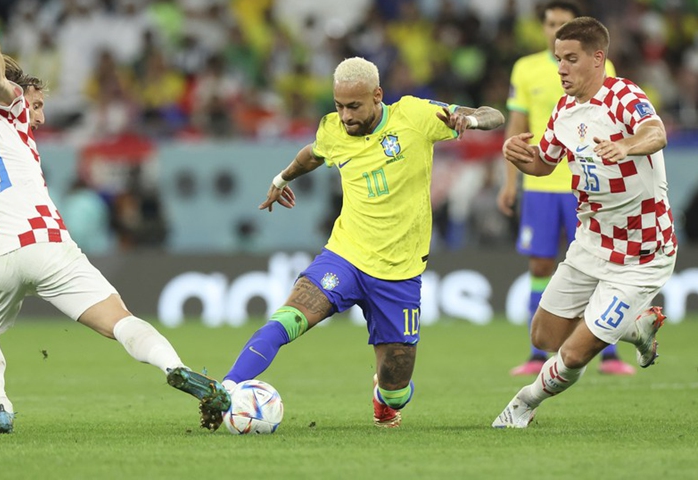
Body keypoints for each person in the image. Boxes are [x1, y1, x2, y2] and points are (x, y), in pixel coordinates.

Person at [168, 57, 505, 429]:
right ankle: (226, 389)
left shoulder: (416, 115)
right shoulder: (333, 130)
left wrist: (468, 121)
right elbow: (312, 154)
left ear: (377, 96)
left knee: (397, 387)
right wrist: (281, 179)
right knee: (287, 319)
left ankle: (384, 398)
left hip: (399, 271)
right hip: (344, 257)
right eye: (339, 106)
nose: (345, 116)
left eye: (354, 106)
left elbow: (494, 116)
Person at [0, 21, 226, 434]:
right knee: (120, 320)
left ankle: (0, 407)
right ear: (20, 95)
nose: (39, 116)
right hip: (46, 243)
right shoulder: (8, 111)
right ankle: (175, 367)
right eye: (37, 104)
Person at [493, 16, 676, 428]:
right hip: (591, 241)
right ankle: (635, 327)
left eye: (570, 59)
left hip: (641, 252)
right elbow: (544, 162)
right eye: (558, 59)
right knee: (543, 337)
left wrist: (627, 145)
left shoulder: (623, 95)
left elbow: (656, 132)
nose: (560, 68)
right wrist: (521, 157)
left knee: (574, 354)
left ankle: (522, 405)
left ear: (597, 59)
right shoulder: (563, 111)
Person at [497, 1, 635, 377]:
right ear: (543, 28)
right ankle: (536, 354)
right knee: (540, 263)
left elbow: (614, 123)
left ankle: (609, 355)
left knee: (598, 265)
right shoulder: (525, 68)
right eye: (551, 24)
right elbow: (517, 124)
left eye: (563, 24)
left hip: (584, 185)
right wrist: (510, 178)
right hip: (541, 183)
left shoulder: (599, 66)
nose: (555, 29)